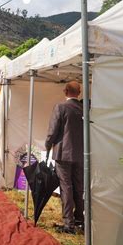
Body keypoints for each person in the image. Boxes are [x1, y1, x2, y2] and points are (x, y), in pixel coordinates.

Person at [45, 81, 84, 234]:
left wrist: (47, 145)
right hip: (80, 154)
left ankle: (69, 224)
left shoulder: (60, 107)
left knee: (66, 187)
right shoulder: (83, 109)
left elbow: (52, 131)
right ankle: (80, 219)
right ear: (79, 93)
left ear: (65, 90)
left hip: (63, 154)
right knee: (78, 186)